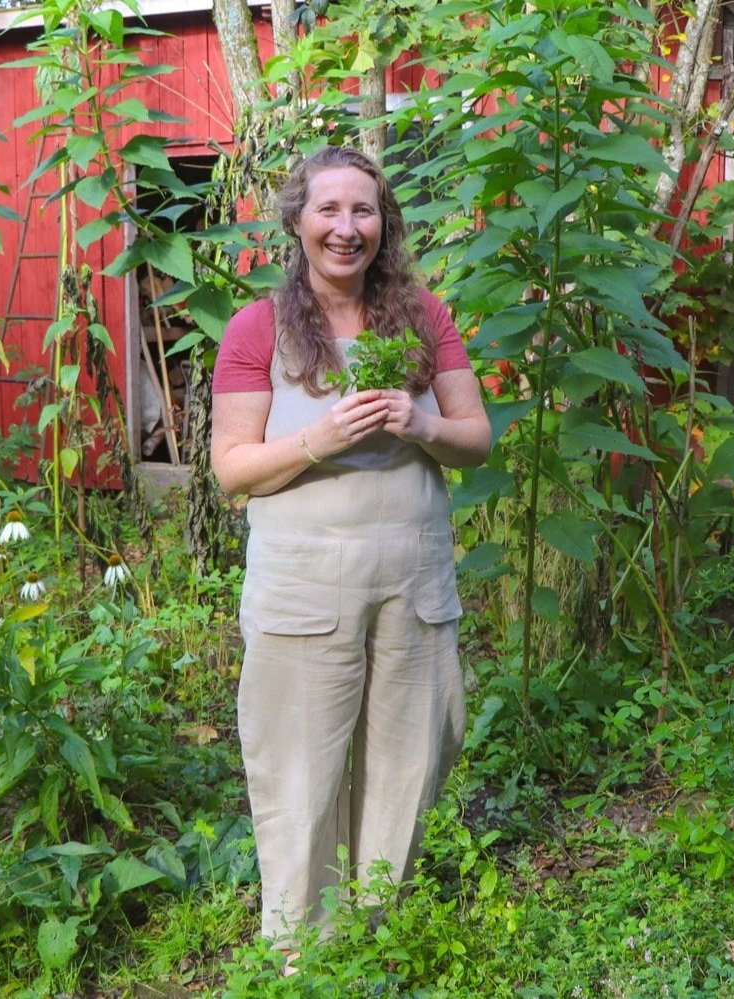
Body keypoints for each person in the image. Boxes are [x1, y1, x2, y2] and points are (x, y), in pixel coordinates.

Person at [210, 145, 491, 953]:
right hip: (305, 587)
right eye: (328, 210)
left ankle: (376, 941)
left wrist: (426, 424)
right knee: (300, 772)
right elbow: (233, 470)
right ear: (297, 221)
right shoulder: (257, 326)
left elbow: (476, 440)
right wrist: (320, 438)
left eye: (362, 210)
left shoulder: (423, 316)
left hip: (413, 581)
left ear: (384, 223)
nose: (346, 227)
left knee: (409, 762)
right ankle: (300, 953)